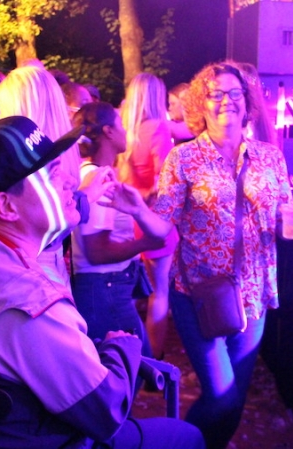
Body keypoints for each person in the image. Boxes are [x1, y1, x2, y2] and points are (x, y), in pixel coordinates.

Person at [0, 115, 204, 449]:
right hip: (46, 441)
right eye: (51, 175)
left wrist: (82, 201)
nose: (69, 182)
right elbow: (107, 410)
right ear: (5, 206)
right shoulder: (31, 307)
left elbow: (36, 227)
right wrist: (122, 347)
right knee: (188, 437)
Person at [153, 62, 293, 449]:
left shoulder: (270, 157)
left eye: (235, 93)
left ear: (247, 102)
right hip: (200, 292)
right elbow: (161, 224)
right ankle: (182, 444)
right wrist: (134, 209)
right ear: (201, 104)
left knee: (235, 398)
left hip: (254, 292)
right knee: (222, 396)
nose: (226, 100)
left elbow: (281, 213)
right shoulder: (183, 158)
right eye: (215, 94)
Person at [71, 102, 171, 355]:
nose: (126, 131)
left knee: (133, 363)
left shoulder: (95, 173)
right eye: (121, 125)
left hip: (106, 288)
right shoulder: (97, 179)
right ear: (108, 132)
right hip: (105, 288)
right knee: (133, 366)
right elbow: (97, 251)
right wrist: (144, 243)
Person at [119, 72, 179, 360]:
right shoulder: (158, 128)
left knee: (128, 294)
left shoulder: (124, 129)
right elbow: (163, 182)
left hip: (124, 221)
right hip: (151, 220)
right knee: (159, 293)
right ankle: (154, 359)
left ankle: (126, 355)